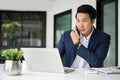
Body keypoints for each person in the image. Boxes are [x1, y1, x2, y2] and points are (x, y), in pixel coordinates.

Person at [56, 4, 111, 69]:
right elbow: (55, 57)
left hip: (90, 76)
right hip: (69, 75)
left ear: (93, 21)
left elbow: (97, 63)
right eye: (78, 21)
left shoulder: (103, 38)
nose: (80, 25)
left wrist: (78, 43)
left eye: (84, 21)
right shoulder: (67, 35)